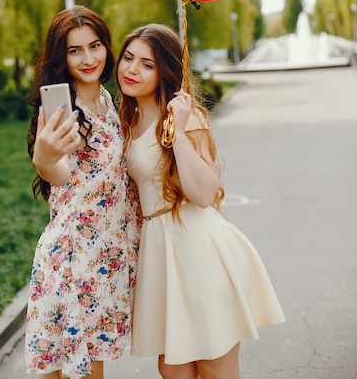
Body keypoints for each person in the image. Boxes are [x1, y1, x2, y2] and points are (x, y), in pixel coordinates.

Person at [116, 23, 285, 379]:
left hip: (197, 247)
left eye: (147, 64)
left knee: (213, 367)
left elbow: (205, 193)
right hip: (161, 253)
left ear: (165, 71)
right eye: (128, 58)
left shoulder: (185, 115)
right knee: (172, 368)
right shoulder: (127, 118)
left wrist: (177, 129)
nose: (132, 69)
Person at [25, 5, 140, 379]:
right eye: (75, 50)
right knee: (72, 372)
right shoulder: (63, 108)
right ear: (62, 56)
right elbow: (59, 173)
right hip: (74, 260)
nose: (88, 58)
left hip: (104, 258)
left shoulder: (108, 100)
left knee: (88, 370)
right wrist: (43, 159)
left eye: (95, 46)